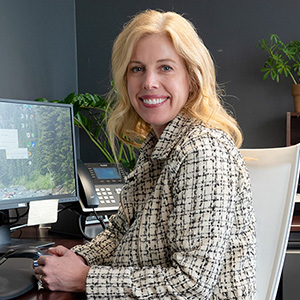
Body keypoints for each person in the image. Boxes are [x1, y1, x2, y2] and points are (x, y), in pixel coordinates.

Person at [34, 9, 256, 299]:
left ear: (191, 78)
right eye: (137, 68)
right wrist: (80, 259)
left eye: (165, 67)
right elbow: (120, 231)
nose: (149, 82)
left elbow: (191, 285)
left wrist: (85, 279)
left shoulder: (203, 151)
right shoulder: (158, 146)